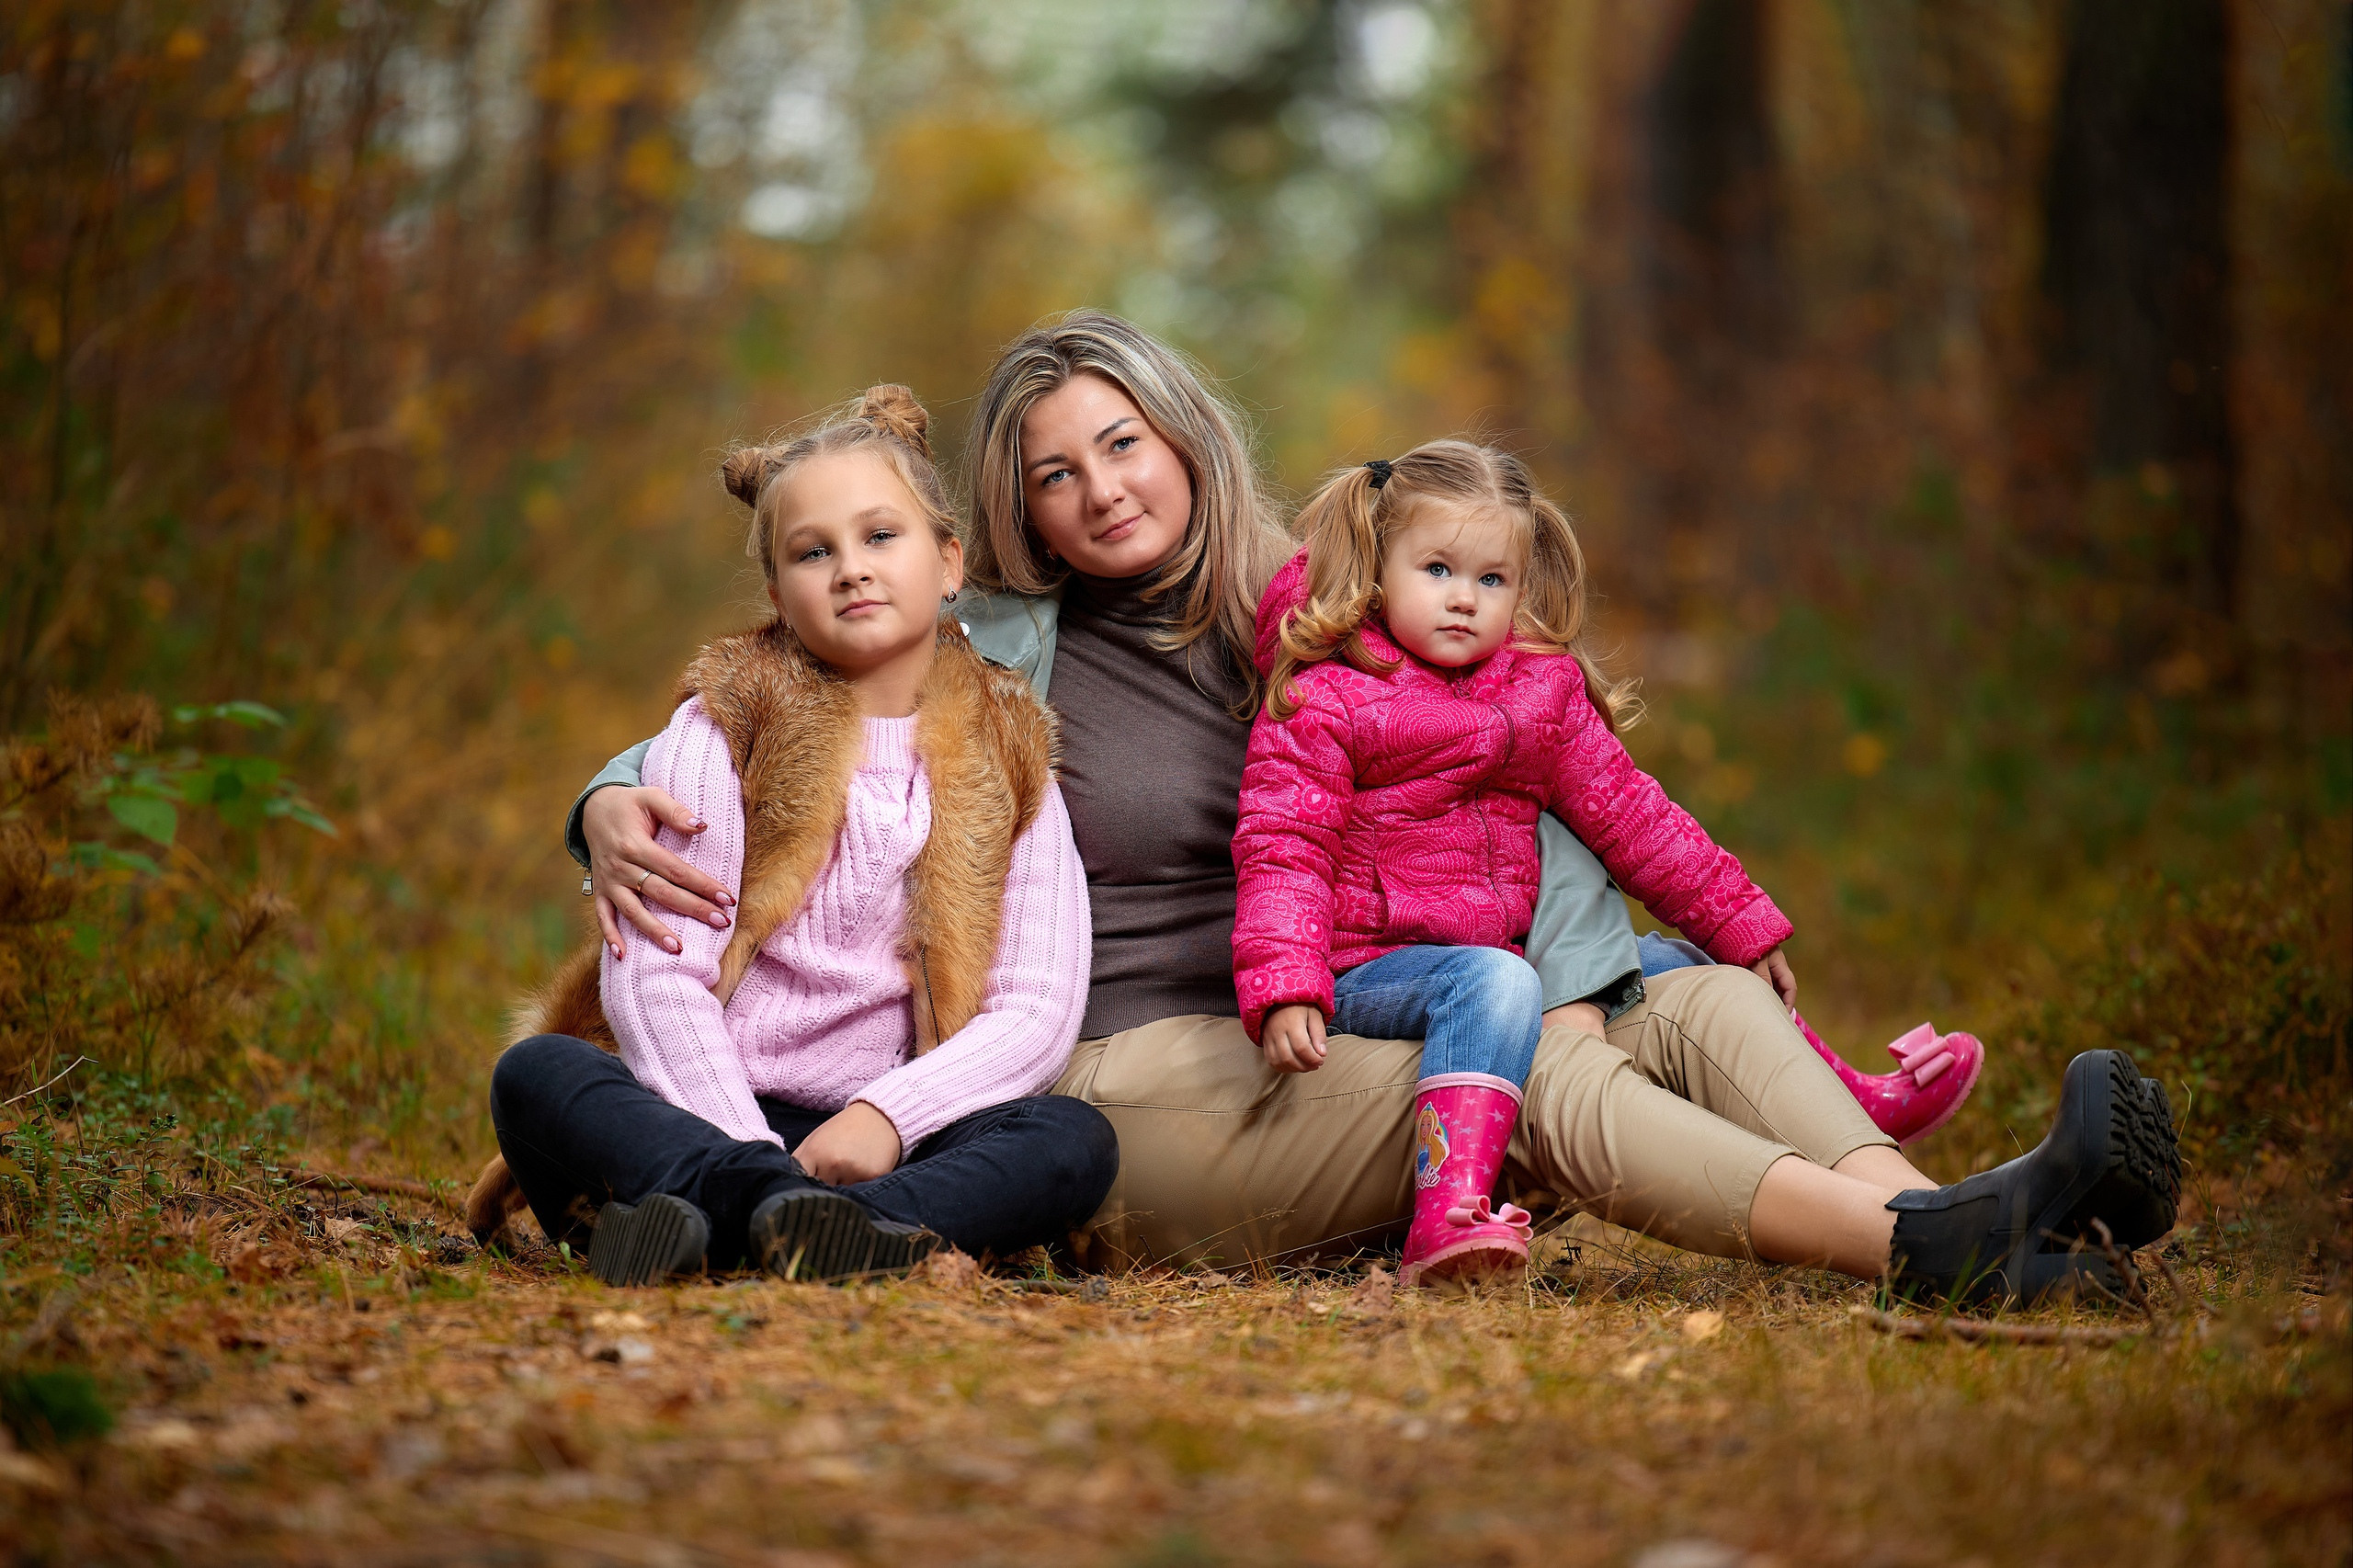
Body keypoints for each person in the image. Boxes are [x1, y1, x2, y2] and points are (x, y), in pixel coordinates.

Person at [568, 312, 2179, 1305]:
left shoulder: (1329, 604)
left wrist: (1674, 948)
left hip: (1340, 1014)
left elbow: (1522, 770)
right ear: (1009, 503)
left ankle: (1970, 1230)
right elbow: (773, 692)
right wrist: (612, 798)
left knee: (1662, 998)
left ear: (1184, 441)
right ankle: (1919, 1253)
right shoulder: (987, 637)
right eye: (1051, 470)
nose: (1099, 487)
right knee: (1529, 1070)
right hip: (1120, 1082)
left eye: (1121, 442)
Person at [471, 386, 1116, 1287]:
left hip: (884, 1130)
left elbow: (1037, 1008)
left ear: (948, 563)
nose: (851, 568)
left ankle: (754, 1232)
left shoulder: (1010, 751)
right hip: (699, 1114)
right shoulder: (722, 727)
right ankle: (788, 1219)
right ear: (776, 592)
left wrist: (885, 1118)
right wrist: (750, 1153)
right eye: (815, 552)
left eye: (881, 537)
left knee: (1071, 1140)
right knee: (539, 1077)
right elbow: (658, 973)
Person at [1233, 440, 1799, 1287]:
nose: (1464, 599)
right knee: (1496, 982)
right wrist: (1286, 982)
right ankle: (1447, 1211)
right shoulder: (1326, 695)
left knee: (1680, 965)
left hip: (1493, 958)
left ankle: (1842, 1112)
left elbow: (1633, 816)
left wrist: (1741, 926)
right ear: (1379, 568)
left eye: (1492, 580)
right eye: (1436, 569)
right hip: (1366, 967)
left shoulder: (1540, 692)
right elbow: (1285, 846)